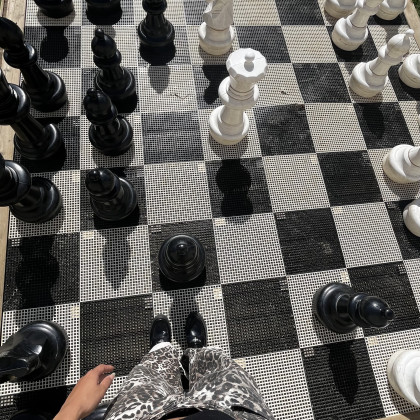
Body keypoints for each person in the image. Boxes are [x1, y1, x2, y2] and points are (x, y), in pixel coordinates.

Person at [54, 312, 275, 420]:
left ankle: (161, 351)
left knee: (148, 380)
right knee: (222, 373)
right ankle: (197, 353)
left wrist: (71, 411)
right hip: (232, 414)